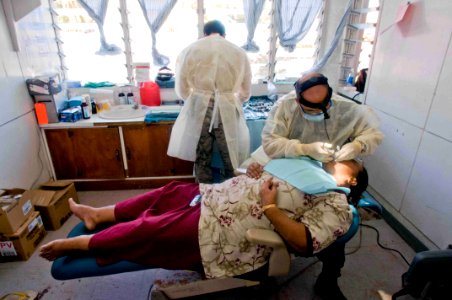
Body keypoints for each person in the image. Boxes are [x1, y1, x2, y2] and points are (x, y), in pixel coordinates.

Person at [40, 159, 368, 281]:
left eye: (344, 163)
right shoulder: (309, 169)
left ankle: (81, 244)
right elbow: (260, 171)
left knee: (151, 229)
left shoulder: (337, 206)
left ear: (352, 182)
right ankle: (98, 213)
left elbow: (305, 242)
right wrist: (253, 172)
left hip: (227, 228)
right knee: (166, 192)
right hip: (214, 196)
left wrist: (270, 207)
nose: (334, 159)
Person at [246, 72, 383, 300]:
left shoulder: (349, 109)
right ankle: (260, 268)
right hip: (288, 162)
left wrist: (358, 145)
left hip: (317, 178)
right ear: (299, 100)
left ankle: (328, 281)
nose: (315, 114)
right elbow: (271, 143)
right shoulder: (286, 106)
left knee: (331, 237)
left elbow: (374, 133)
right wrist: (298, 151)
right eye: (309, 110)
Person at [167, 20, 252, 183]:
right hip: (227, 105)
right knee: (231, 153)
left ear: (204, 34)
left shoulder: (190, 49)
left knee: (202, 154)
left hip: (200, 104)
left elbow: (181, 86)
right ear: (224, 34)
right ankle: (232, 192)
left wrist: (193, 99)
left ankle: (204, 194)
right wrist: (235, 99)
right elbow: (246, 89)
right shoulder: (239, 52)